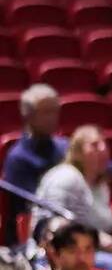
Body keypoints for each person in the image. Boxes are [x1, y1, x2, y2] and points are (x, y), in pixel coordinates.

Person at [34, 126, 112, 270]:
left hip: (94, 251)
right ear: (78, 152)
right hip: (59, 254)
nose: (102, 149)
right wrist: (96, 238)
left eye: (104, 144)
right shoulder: (67, 177)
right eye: (94, 145)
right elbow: (50, 223)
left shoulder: (101, 185)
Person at [2, 85, 66, 244]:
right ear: (28, 116)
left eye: (55, 111)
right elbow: (32, 205)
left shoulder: (64, 147)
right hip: (39, 235)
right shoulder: (18, 158)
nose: (52, 117)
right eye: (46, 112)